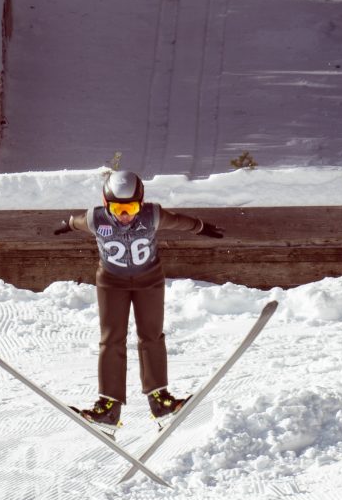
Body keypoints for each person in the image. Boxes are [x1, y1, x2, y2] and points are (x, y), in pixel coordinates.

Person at [54, 170, 223, 438]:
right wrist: (67, 223)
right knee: (112, 339)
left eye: (131, 207)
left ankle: (161, 403)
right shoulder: (95, 218)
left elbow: (179, 221)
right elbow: (76, 222)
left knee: (151, 336)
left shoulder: (151, 215)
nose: (125, 215)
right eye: (118, 208)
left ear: (141, 202)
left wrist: (201, 227)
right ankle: (109, 408)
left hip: (149, 281)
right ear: (105, 202)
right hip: (111, 283)